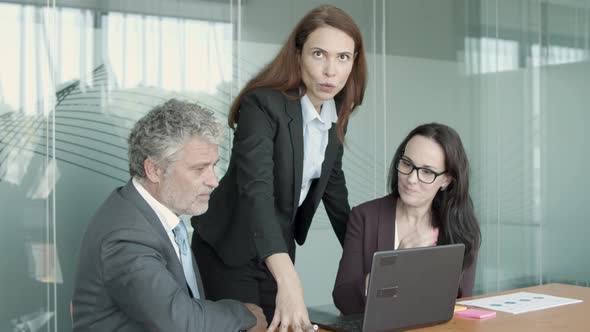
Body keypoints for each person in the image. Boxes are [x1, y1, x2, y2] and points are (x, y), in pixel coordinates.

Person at [190, 4, 367, 331]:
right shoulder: (262, 104)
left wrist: (369, 262)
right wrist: (288, 277)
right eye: (319, 54)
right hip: (231, 248)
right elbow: (255, 190)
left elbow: (334, 192)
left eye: (343, 57)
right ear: (298, 54)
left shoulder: (336, 109)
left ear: (354, 61)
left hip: (276, 248)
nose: (331, 70)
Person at [72, 99, 267, 331]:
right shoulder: (126, 237)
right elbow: (181, 321)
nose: (214, 181)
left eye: (213, 166)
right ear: (154, 170)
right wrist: (245, 314)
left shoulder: (153, 214)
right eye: (199, 169)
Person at [332, 123, 481, 315]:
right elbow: (343, 300)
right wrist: (392, 266)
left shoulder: (462, 229)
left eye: (427, 172)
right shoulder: (365, 217)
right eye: (407, 164)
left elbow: (461, 306)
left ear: (446, 180)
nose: (411, 179)